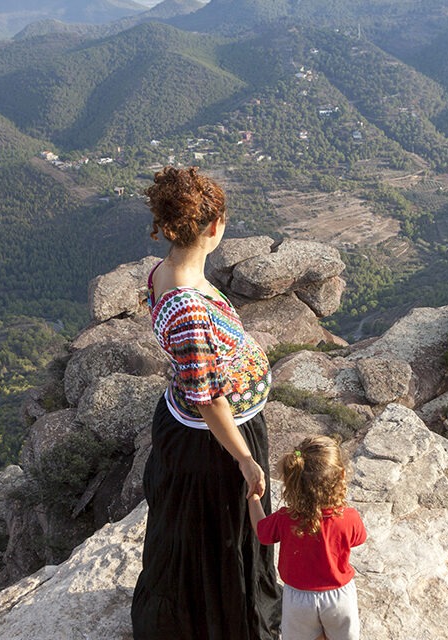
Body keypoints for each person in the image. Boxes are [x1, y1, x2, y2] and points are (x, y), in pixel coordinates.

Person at [131, 166, 281, 640]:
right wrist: (245, 459)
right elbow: (208, 398)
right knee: (224, 540)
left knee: (191, 536)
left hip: (199, 431)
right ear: (214, 227)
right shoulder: (190, 308)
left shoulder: (165, 271)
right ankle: (227, 625)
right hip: (214, 443)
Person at [248, 435, 367, 640]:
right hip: (339, 597)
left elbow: (262, 532)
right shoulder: (349, 517)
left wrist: (254, 498)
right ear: (342, 476)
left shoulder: (285, 518)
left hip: (298, 599)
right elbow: (358, 539)